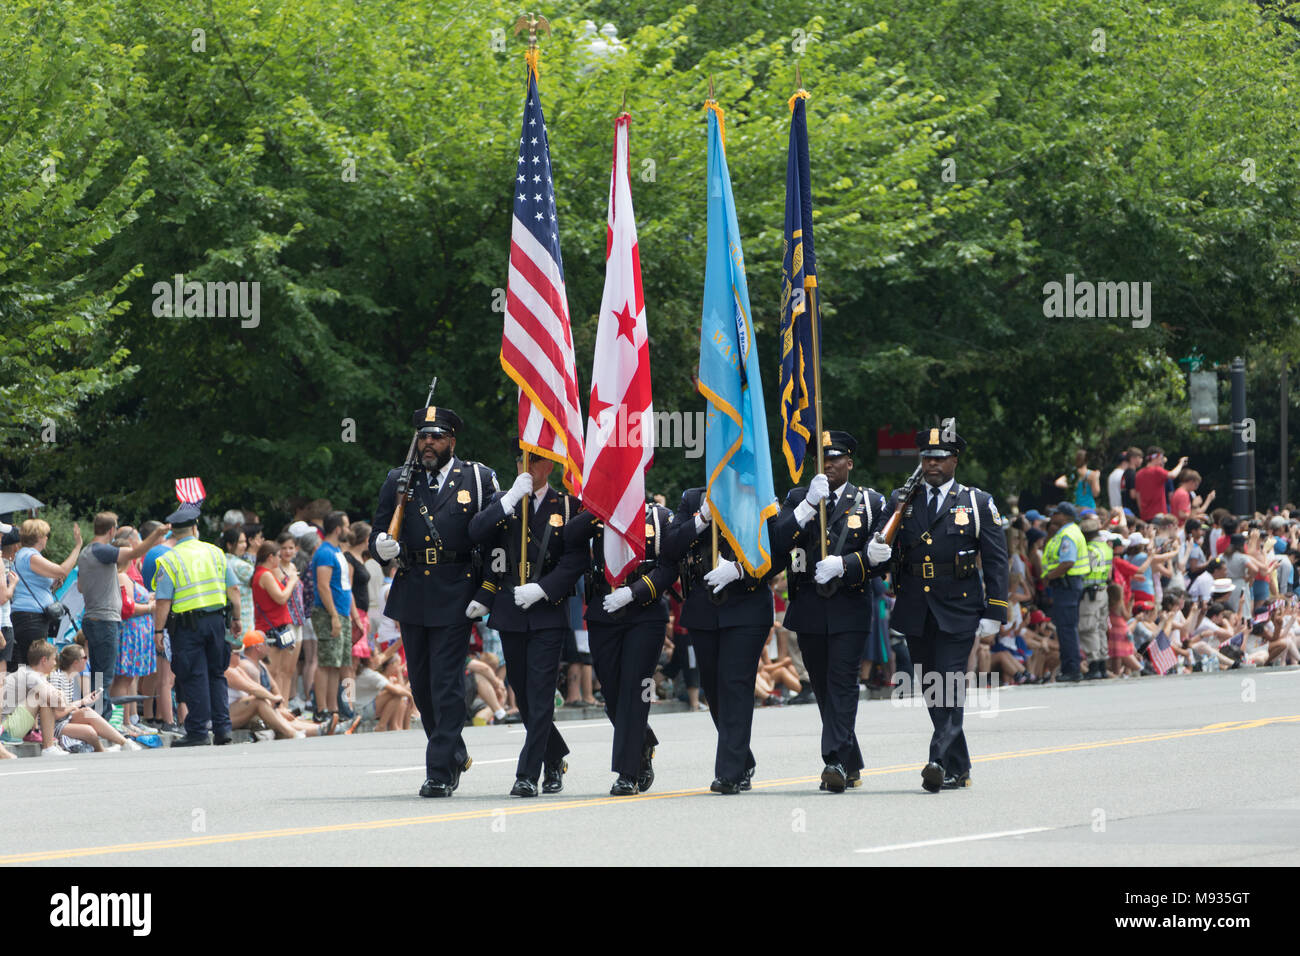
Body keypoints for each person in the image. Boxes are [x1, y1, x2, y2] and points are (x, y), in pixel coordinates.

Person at [856, 424, 1008, 792]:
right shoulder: (902, 500)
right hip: (914, 606)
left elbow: (996, 560)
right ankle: (960, 766)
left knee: (950, 683)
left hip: (959, 606)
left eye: (940, 458)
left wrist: (995, 610)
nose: (932, 464)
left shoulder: (976, 501)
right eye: (926, 458)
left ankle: (937, 758)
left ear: (955, 460)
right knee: (930, 686)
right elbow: (882, 544)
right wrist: (876, 552)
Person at [371, 405, 498, 798]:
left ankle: (439, 770)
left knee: (446, 684)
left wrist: (486, 591)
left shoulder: (476, 478)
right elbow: (378, 531)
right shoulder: (399, 480)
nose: (429, 443)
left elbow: (496, 540)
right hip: (412, 592)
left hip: (457, 590)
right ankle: (453, 751)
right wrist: (381, 547)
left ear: (452, 441)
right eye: (424, 436)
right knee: (423, 687)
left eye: (437, 436)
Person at [774, 430, 888, 792]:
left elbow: (880, 557)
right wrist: (808, 505)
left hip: (849, 605)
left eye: (836, 458)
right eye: (822, 459)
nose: (829, 465)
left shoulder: (869, 501)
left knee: (842, 683)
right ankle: (850, 760)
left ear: (849, 463)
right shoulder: (797, 497)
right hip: (808, 606)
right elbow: (777, 544)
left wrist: (845, 564)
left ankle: (835, 761)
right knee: (822, 686)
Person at [659, 483, 790, 795]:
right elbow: (670, 548)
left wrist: (742, 570)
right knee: (715, 690)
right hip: (704, 607)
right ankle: (741, 757)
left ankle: (729, 772)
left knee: (735, 684)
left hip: (746, 605)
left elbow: (780, 551)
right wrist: (701, 519)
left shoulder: (757, 492)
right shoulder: (693, 498)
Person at [468, 449, 579, 798]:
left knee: (542, 692)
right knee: (524, 694)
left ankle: (528, 773)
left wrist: (543, 590)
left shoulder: (566, 506)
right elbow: (477, 533)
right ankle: (556, 753)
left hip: (547, 610)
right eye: (520, 462)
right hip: (511, 609)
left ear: (549, 465)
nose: (526, 468)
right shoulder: (506, 501)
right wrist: (511, 498)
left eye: (534, 461)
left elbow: (574, 560)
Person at [560, 497, 678, 796]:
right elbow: (569, 535)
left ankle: (628, 773)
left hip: (645, 613)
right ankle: (643, 740)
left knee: (635, 690)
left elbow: (667, 569)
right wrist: (601, 508)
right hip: (604, 609)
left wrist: (635, 592)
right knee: (612, 694)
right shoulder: (598, 515)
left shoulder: (660, 518)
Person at [151, 503, 238, 746]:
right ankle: (223, 729)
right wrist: (237, 619)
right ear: (195, 527)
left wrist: (158, 630)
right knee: (216, 674)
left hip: (186, 626)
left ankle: (199, 731)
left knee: (193, 675)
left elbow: (163, 600)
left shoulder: (169, 559)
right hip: (217, 622)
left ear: (173, 532)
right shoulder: (215, 552)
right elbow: (233, 589)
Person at [225, 631, 339, 738]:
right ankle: (295, 733)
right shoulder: (229, 670)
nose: (240, 655)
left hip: (241, 710)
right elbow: (252, 689)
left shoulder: (238, 668)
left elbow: (262, 687)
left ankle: (322, 729)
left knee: (280, 713)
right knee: (260, 702)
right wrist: (273, 699)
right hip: (227, 716)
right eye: (237, 654)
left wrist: (278, 704)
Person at [10, 518, 82, 668]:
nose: (47, 539)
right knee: (36, 666)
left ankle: (31, 691)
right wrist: (78, 547)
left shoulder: (24, 556)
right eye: (45, 535)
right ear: (39, 538)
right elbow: (62, 570)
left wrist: (54, 583)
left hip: (30, 617)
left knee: (31, 666)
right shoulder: (30, 556)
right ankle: (32, 692)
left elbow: (37, 583)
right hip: (31, 618)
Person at [47, 644, 144, 752]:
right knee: (90, 731)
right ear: (75, 662)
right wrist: (78, 704)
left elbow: (64, 709)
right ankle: (104, 749)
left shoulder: (69, 677)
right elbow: (55, 715)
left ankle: (124, 742)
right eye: (84, 658)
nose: (86, 660)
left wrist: (82, 702)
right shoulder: (57, 679)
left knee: (87, 712)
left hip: (64, 720)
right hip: (54, 725)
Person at [112, 527, 158, 730]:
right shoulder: (122, 576)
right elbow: (127, 607)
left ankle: (129, 720)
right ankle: (121, 721)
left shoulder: (126, 576)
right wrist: (150, 606)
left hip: (136, 631)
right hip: (130, 632)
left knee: (129, 677)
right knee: (124, 678)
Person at [1041, 503, 1089, 681]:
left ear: (1065, 516)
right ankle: (1070, 666)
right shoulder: (1067, 531)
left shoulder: (1068, 534)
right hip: (1068, 585)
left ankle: (1071, 669)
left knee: (1066, 628)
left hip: (1066, 585)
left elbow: (1067, 562)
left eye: (1056, 514)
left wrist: (1050, 577)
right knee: (1067, 627)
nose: (1052, 517)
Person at [1078, 517, 1112, 680]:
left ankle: (1094, 665)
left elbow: (1085, 570)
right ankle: (1102, 665)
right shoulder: (1105, 547)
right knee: (1100, 627)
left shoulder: (1090, 549)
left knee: (1088, 628)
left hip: (1090, 593)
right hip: (1103, 591)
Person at [221, 526, 254, 648]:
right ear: (230, 545)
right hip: (242, 622)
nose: (245, 545)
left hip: (225, 620)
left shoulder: (221, 560)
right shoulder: (241, 566)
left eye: (245, 541)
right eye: (240, 542)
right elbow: (261, 580)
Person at [1133, 447, 1187, 522]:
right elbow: (1173, 475)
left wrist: (1142, 512)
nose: (1162, 462)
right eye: (1161, 458)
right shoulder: (1157, 470)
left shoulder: (1139, 474)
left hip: (1144, 516)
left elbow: (1138, 496)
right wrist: (1181, 464)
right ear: (1156, 457)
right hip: (1158, 515)